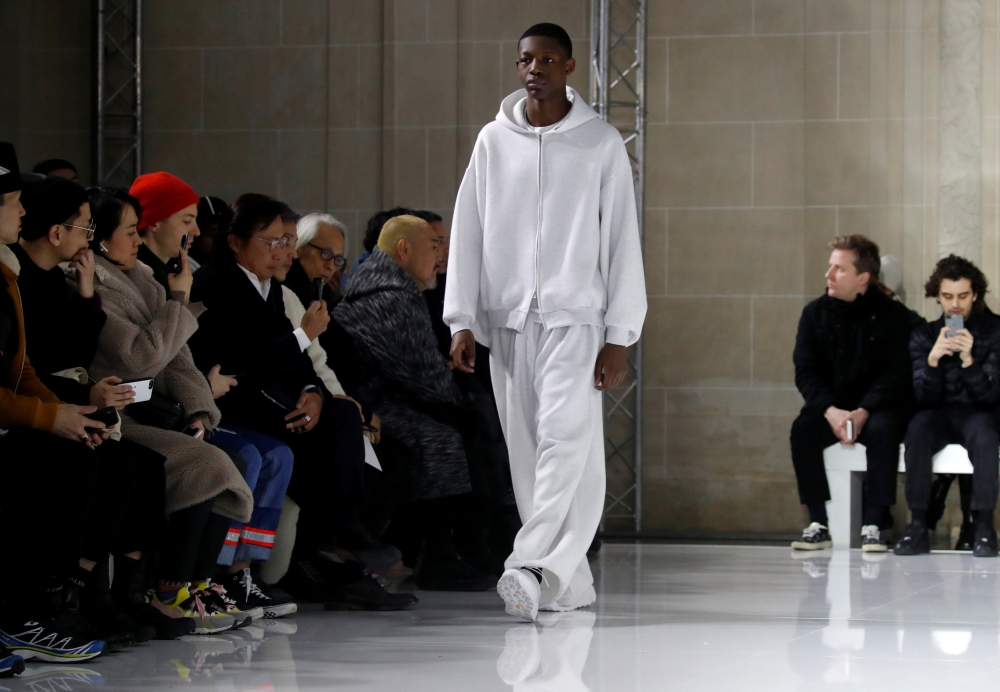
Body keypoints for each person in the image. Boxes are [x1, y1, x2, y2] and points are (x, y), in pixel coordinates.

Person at [444, 23, 647, 620]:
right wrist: (461, 319)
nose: (535, 68)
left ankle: (529, 565)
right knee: (530, 453)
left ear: (570, 67)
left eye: (548, 59)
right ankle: (567, 581)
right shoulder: (493, 142)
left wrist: (620, 335)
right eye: (526, 59)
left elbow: (621, 243)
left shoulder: (600, 143)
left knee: (565, 441)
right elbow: (468, 233)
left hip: (577, 319)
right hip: (509, 321)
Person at [188, 193, 416, 611]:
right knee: (306, 455)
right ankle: (304, 559)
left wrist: (312, 393)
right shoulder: (216, 283)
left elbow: (301, 364)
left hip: (280, 404)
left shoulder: (268, 287)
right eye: (273, 242)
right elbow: (240, 363)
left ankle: (342, 535)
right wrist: (302, 336)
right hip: (236, 407)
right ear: (236, 241)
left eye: (287, 241)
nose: (284, 252)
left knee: (345, 413)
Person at [12, 177, 192, 643]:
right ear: (57, 233)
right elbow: (30, 368)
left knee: (143, 466)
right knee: (94, 464)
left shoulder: (55, 277)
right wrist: (78, 404)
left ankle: (103, 591)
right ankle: (57, 594)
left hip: (61, 398)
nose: (88, 239)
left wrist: (88, 293)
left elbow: (70, 351)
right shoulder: (20, 279)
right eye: (86, 229)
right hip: (33, 409)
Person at [84, 186, 258, 633]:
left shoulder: (143, 275)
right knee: (207, 463)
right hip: (119, 415)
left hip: (154, 409)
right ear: (101, 238)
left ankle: (196, 582)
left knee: (228, 457)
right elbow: (141, 357)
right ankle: (171, 586)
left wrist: (201, 411)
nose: (138, 240)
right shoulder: (86, 282)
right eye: (128, 231)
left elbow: (177, 357)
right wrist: (179, 301)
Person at [0, 141, 106, 666]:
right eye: (12, 202)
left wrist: (67, 415)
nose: (23, 211)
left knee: (78, 453)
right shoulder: (12, 274)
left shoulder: (6, 276)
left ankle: (54, 602)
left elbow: (22, 369)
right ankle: (25, 612)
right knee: (52, 462)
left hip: (21, 409)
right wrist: (51, 415)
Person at [790, 236, 913, 552]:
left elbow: (895, 375)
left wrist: (864, 410)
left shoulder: (895, 317)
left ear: (863, 278)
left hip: (876, 407)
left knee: (884, 429)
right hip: (830, 406)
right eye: (830, 267)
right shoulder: (814, 314)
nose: (828, 275)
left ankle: (874, 522)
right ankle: (818, 522)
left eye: (839, 269)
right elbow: (806, 372)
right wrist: (830, 411)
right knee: (803, 430)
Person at [896, 255, 1000, 557]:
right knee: (917, 429)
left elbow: (991, 397)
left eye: (963, 296)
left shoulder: (994, 332)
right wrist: (932, 361)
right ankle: (918, 525)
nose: (955, 305)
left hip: (980, 413)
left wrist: (969, 362)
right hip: (938, 413)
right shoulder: (923, 335)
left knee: (985, 435)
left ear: (975, 294)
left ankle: (983, 526)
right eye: (947, 296)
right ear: (937, 296)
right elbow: (922, 399)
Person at [130, 171, 201, 282]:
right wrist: (180, 296)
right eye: (187, 221)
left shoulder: (179, 269)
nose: (197, 232)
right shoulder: (133, 279)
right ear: (154, 223)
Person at [290, 213, 349, 307]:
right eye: (326, 253)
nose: (331, 266)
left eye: (338, 259)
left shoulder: (323, 292)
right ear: (299, 247)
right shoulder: (282, 292)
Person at [192, 195, 228, 266]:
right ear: (194, 237)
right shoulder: (184, 268)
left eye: (225, 234)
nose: (220, 240)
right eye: (213, 234)